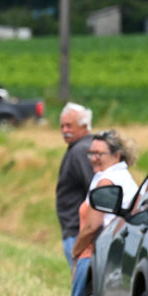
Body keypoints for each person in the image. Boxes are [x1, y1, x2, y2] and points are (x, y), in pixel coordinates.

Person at [66, 129, 138, 296]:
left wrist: (76, 251)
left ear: (117, 155)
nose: (93, 158)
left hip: (93, 252)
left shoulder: (107, 181)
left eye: (99, 153)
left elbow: (92, 226)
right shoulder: (124, 178)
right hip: (111, 252)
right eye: (91, 153)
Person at [56, 102, 94, 268]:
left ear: (84, 126)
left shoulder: (80, 151)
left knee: (80, 283)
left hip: (78, 232)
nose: (65, 130)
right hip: (75, 230)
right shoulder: (80, 148)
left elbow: (93, 189)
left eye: (69, 126)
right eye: (62, 126)